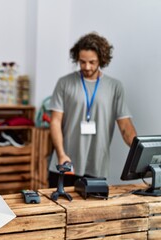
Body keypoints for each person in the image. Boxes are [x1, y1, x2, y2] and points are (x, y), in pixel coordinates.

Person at [48, 32, 137, 188]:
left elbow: (125, 126)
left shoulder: (114, 86)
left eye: (92, 62)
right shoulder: (65, 83)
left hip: (97, 166)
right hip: (65, 164)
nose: (87, 67)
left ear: (101, 60)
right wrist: (61, 154)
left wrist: (139, 152)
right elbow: (55, 121)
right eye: (82, 62)